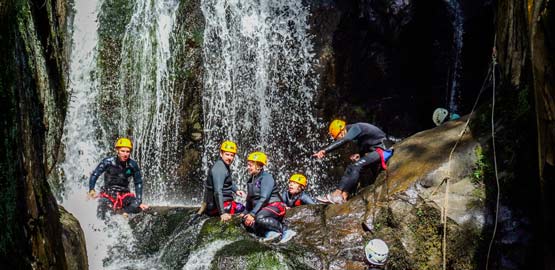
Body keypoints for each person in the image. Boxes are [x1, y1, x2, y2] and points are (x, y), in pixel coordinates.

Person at [313, 120, 392, 204]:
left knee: (356, 166)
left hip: (383, 149)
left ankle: (337, 194)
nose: (338, 139)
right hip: (377, 149)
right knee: (350, 167)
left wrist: (325, 151)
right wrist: (359, 155)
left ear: (342, 130)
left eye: (338, 137)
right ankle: (342, 195)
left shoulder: (355, 128)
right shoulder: (356, 134)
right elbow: (365, 146)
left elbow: (345, 140)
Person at [241, 151, 297, 243]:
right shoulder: (251, 180)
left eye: (250, 165)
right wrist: (245, 212)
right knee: (245, 219)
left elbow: (264, 198)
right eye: (248, 165)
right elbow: (249, 199)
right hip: (263, 208)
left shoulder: (267, 177)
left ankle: (286, 230)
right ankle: (269, 233)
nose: (248, 168)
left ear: (259, 165)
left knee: (258, 218)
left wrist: (252, 214)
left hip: (275, 206)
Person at [88, 138, 148, 219]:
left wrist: (139, 200)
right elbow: (95, 174)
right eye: (122, 151)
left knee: (138, 205)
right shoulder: (108, 162)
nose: (125, 154)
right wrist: (91, 189)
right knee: (103, 204)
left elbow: (138, 182)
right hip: (108, 193)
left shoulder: (132, 165)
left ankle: (125, 212)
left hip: (124, 195)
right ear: (117, 151)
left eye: (127, 151)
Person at [204, 140, 246, 222]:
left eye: (232, 155)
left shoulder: (223, 165)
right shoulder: (220, 168)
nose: (229, 158)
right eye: (227, 154)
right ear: (221, 153)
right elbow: (217, 192)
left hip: (219, 204)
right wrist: (222, 213)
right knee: (244, 209)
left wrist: (236, 190)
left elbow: (227, 181)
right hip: (217, 207)